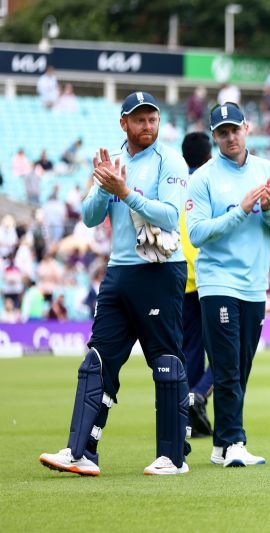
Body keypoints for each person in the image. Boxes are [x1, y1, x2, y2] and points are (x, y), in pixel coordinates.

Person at [38, 91, 191, 476]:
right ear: (123, 123)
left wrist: (126, 192)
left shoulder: (169, 159)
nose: (147, 126)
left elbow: (171, 216)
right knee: (96, 360)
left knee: (166, 362)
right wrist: (104, 186)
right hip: (120, 272)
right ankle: (81, 452)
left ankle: (173, 458)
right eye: (139, 120)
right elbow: (90, 218)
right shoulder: (113, 162)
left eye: (152, 119)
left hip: (160, 270)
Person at [186, 102, 270, 467]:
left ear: (247, 128)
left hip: (253, 283)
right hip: (217, 281)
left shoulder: (268, 170)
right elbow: (198, 233)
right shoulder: (203, 178)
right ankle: (234, 442)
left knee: (240, 366)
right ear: (214, 135)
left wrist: (268, 209)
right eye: (222, 132)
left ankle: (220, 445)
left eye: (235, 129)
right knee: (227, 365)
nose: (230, 137)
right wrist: (241, 210)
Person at [180, 132, 214, 438]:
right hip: (208, 278)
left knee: (191, 349)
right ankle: (199, 394)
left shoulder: (176, 185)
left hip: (179, 279)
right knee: (230, 350)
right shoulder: (208, 183)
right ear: (209, 156)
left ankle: (188, 419)